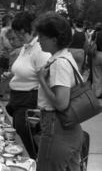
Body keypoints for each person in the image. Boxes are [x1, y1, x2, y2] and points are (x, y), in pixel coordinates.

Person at [35, 12, 83, 171]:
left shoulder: (59, 64)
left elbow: (61, 103)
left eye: (41, 37)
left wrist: (41, 79)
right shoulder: (65, 58)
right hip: (69, 128)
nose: (38, 41)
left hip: (57, 127)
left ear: (54, 39)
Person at [5, 11, 51, 159]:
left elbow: (46, 80)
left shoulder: (40, 50)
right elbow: (25, 70)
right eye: (18, 32)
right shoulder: (27, 47)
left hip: (29, 102)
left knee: (29, 147)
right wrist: (13, 75)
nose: (18, 36)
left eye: (22, 32)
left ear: (31, 29)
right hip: (18, 102)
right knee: (22, 141)